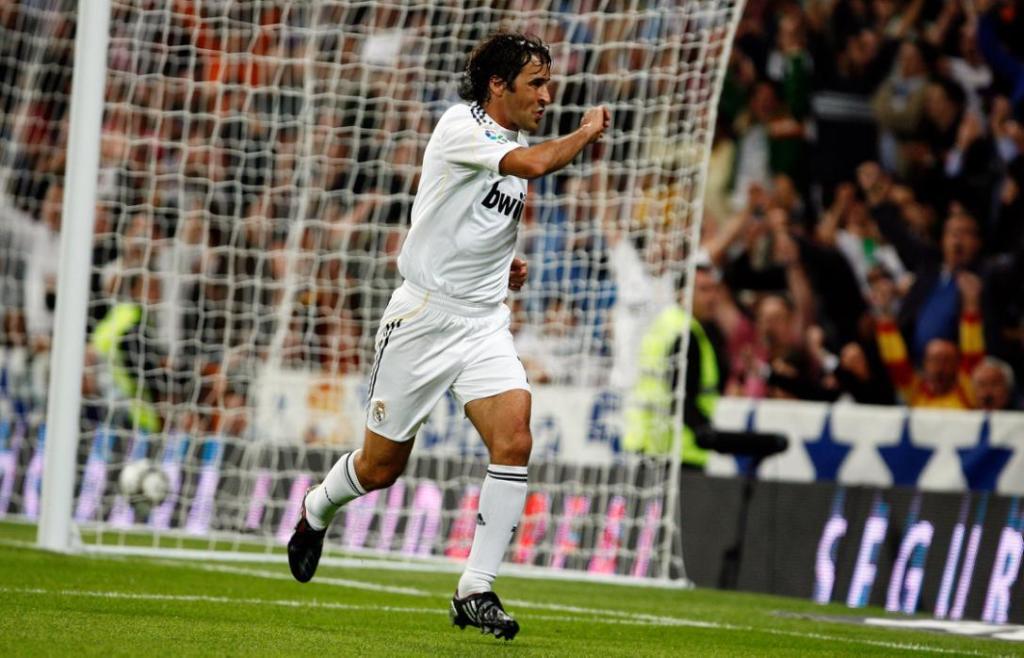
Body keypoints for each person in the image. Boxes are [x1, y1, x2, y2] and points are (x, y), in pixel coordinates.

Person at [287, 32, 610, 641]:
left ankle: (475, 588)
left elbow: (476, 221)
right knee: (382, 469)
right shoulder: (462, 127)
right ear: (498, 86)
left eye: (548, 82)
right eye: (536, 82)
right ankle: (316, 508)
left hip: (483, 320)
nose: (549, 93)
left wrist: (501, 268)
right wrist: (586, 130)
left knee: (514, 437)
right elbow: (538, 164)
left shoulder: (507, 143)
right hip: (423, 319)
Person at [623, 260, 728, 469]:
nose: (713, 297)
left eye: (715, 290)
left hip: (648, 442)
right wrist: (705, 430)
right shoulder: (687, 333)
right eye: (704, 290)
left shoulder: (666, 323)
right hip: (679, 448)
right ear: (683, 293)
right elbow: (680, 395)